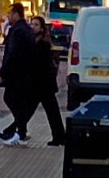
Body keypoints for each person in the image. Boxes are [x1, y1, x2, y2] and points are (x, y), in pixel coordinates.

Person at [0, 3, 37, 146]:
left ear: (16, 14)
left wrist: (2, 74)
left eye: (10, 13)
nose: (8, 16)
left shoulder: (18, 31)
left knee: (11, 99)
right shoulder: (26, 29)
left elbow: (13, 55)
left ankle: (21, 131)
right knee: (17, 102)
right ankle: (17, 130)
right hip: (25, 74)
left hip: (18, 75)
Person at [26, 15, 67, 146]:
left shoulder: (43, 43)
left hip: (43, 84)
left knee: (31, 110)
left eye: (36, 25)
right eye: (32, 24)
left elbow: (40, 64)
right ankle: (60, 137)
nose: (33, 27)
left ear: (42, 28)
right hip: (42, 84)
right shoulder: (34, 41)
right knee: (50, 111)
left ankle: (15, 131)